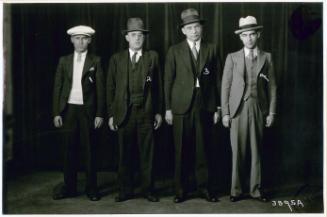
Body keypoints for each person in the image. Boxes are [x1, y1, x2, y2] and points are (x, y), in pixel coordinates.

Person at [164, 8, 222, 203]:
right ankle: (180, 190)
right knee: (181, 149)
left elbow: (217, 80)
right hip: (180, 105)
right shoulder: (174, 50)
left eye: (197, 26)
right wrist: (168, 109)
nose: (194, 31)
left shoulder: (212, 48)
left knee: (203, 148)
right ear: (183, 31)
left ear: (201, 28)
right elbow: (168, 81)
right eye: (190, 28)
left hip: (205, 104)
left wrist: (218, 108)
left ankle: (205, 188)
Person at [221, 16, 277, 202]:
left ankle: (256, 190)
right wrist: (226, 113)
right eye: (245, 35)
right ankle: (235, 191)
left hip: (258, 108)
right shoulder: (232, 57)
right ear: (240, 37)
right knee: (237, 151)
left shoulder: (267, 57)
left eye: (252, 34)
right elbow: (225, 87)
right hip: (237, 109)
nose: (249, 38)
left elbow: (272, 87)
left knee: (256, 150)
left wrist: (271, 112)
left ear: (258, 34)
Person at [107, 17, 163, 202]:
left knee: (148, 153)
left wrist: (158, 112)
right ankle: (125, 190)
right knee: (125, 154)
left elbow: (157, 87)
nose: (137, 38)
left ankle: (148, 190)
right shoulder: (117, 59)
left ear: (144, 38)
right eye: (133, 35)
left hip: (146, 111)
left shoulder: (152, 57)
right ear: (127, 38)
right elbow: (111, 88)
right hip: (124, 112)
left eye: (140, 35)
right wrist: (111, 114)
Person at [52, 25, 105, 201]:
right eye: (77, 38)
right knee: (69, 150)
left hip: (87, 111)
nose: (80, 42)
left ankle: (92, 188)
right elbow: (57, 87)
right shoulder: (63, 60)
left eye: (84, 38)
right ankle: (69, 187)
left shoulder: (95, 61)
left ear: (89, 40)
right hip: (69, 110)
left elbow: (101, 90)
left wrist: (99, 114)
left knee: (90, 150)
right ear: (72, 40)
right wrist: (57, 112)